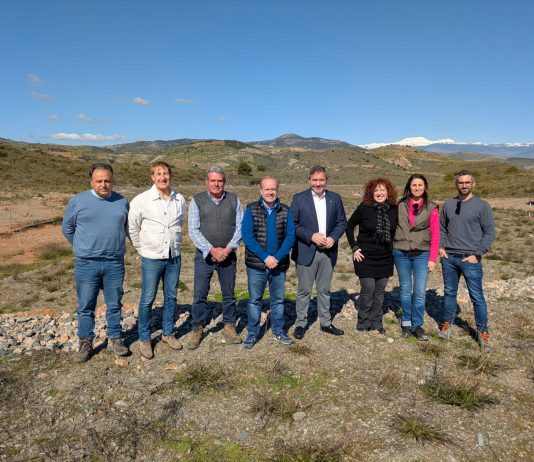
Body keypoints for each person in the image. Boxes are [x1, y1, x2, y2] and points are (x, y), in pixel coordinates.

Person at [62, 163, 130, 363]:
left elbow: (128, 228)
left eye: (107, 180)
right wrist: (82, 247)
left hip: (114, 263)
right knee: (85, 305)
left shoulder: (122, 202)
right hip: (86, 263)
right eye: (99, 181)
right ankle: (85, 342)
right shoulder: (78, 201)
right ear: (91, 181)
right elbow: (67, 228)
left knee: (114, 304)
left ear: (113, 181)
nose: (103, 184)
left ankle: (115, 338)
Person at [128, 161, 186, 359]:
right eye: (158, 174)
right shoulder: (141, 200)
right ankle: (144, 338)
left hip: (173, 256)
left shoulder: (179, 199)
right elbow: (132, 228)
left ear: (170, 175)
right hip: (152, 258)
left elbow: (179, 223)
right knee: (147, 298)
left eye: (166, 173)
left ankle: (168, 333)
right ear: (152, 177)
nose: (163, 177)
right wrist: (142, 248)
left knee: (171, 296)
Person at [187, 165, 244, 349]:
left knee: (229, 293)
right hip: (204, 256)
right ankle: (197, 328)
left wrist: (227, 250)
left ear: (224, 182)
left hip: (228, 255)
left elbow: (240, 227)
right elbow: (193, 230)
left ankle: (229, 325)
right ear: (207, 182)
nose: (216, 184)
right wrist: (211, 250)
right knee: (200, 294)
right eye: (213, 180)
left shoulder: (234, 200)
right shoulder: (197, 200)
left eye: (220, 181)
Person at [439, 169, 495, 350]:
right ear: (456, 184)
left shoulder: (482, 206)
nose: (464, 185)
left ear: (473, 184)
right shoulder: (448, 204)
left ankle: (483, 333)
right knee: (449, 293)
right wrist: (441, 247)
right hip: (449, 258)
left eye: (467, 182)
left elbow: (489, 232)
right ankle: (446, 324)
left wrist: (477, 254)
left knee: (476, 296)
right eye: (461, 182)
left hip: (470, 259)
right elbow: (441, 228)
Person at [290, 165, 347, 339]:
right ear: (309, 181)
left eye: (321, 180)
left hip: (328, 251)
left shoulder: (335, 198)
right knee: (304, 290)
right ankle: (300, 324)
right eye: (315, 180)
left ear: (326, 181)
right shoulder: (299, 199)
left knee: (324, 290)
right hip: (306, 250)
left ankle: (325, 322)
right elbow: (292, 224)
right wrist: (311, 236)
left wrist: (333, 238)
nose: (318, 183)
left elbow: (342, 222)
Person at [241, 176, 295, 348]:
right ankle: (252, 333)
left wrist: (276, 258)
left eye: (273, 189)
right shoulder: (251, 209)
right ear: (261, 190)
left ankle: (278, 330)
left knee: (278, 300)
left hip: (279, 264)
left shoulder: (285, 210)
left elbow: (290, 237)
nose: (270, 192)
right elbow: (247, 236)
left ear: (277, 190)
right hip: (257, 265)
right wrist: (265, 257)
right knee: (255, 300)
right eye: (267, 189)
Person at [346, 178, 398, 333]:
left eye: (382, 190)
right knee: (368, 289)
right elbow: (349, 227)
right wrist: (354, 248)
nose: (379, 193)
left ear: (388, 193)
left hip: (385, 257)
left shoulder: (394, 209)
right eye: (376, 190)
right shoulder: (364, 208)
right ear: (371, 193)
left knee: (380, 291)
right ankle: (363, 322)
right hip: (365, 257)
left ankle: (376, 322)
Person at [393, 174, 439, 341]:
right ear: (409, 187)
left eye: (420, 185)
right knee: (405, 289)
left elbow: (436, 235)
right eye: (414, 185)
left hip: (422, 254)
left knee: (419, 291)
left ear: (425, 187)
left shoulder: (432, 208)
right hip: (401, 253)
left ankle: (417, 324)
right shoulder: (399, 205)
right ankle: (406, 322)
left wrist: (433, 259)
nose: (417, 188)